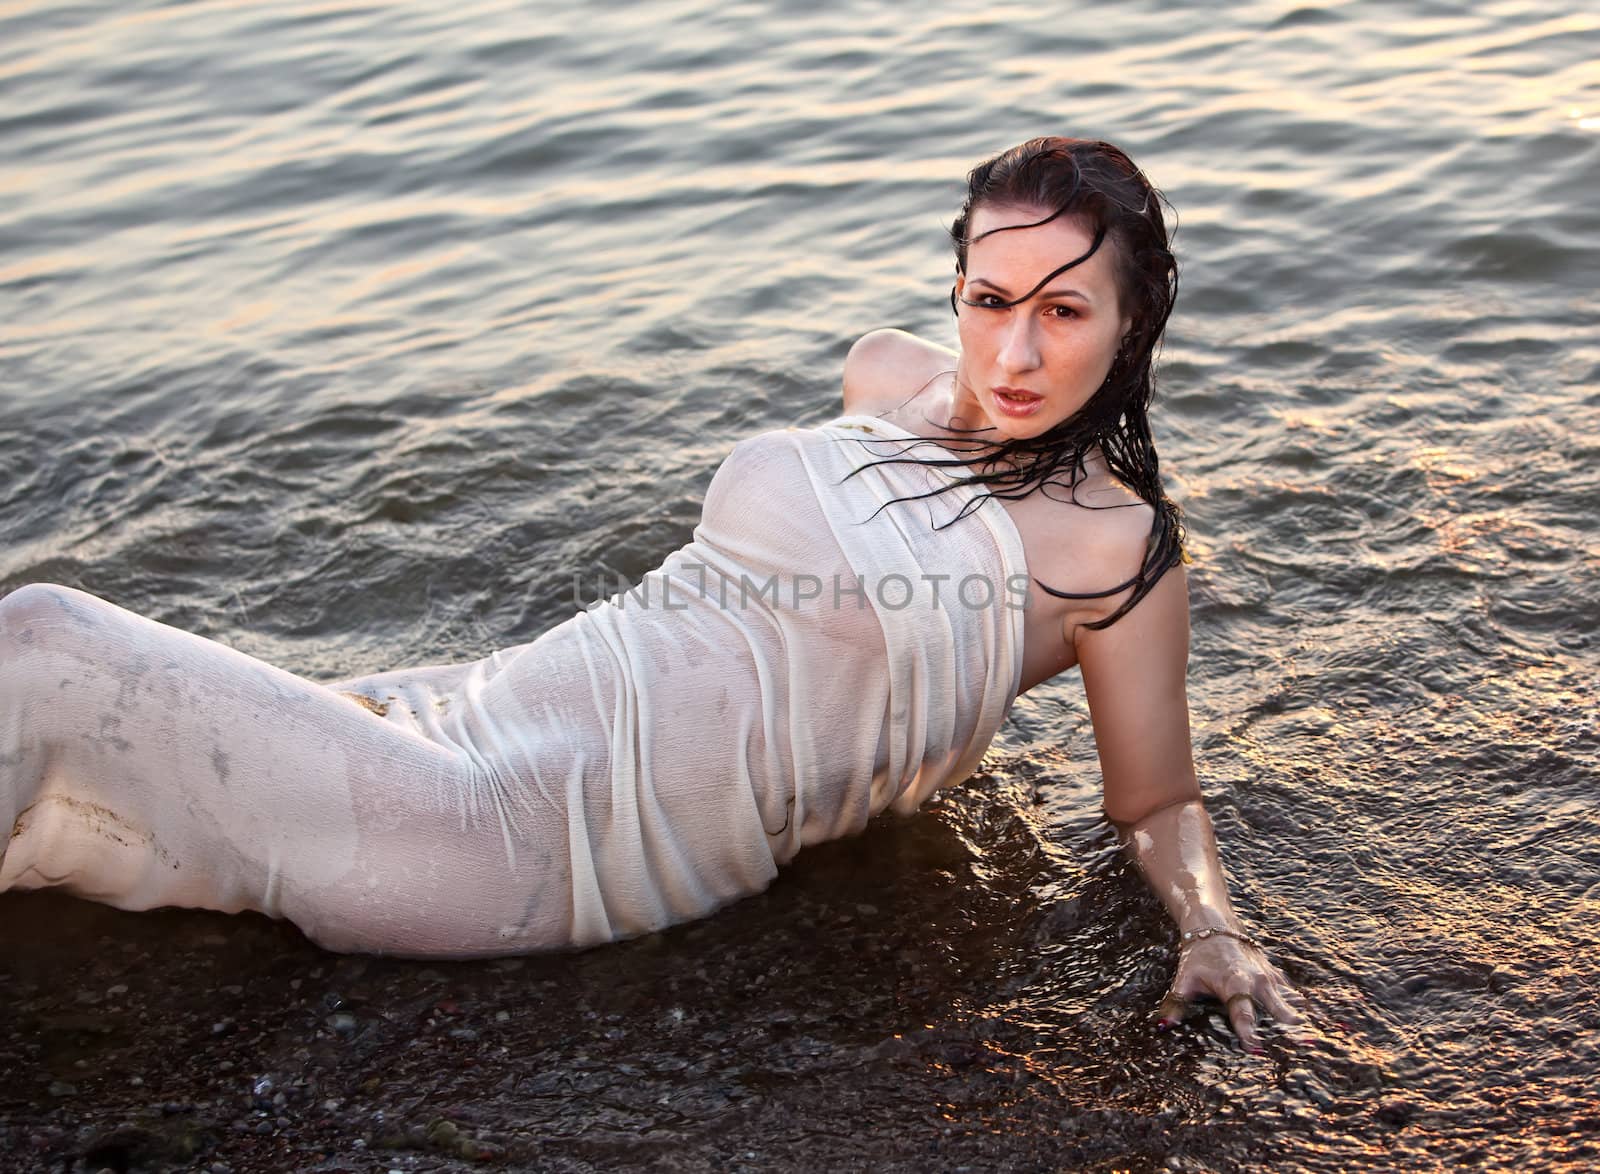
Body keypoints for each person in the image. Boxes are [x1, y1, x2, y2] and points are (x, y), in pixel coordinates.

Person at [0, 137, 1299, 1048]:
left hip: (529, 840)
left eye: (1065, 311)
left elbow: (1160, 797)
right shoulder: (886, 376)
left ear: (1134, 319)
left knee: (43, 639)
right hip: (468, 709)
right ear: (956, 286)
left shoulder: (1112, 553)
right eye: (991, 296)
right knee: (78, 768)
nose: (1014, 349)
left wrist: (1210, 926)